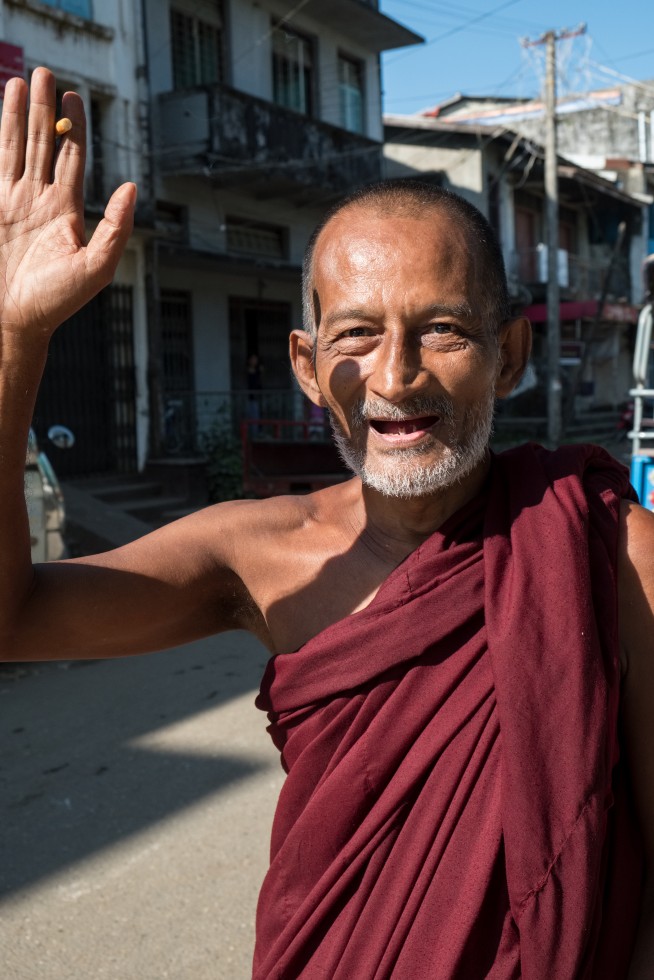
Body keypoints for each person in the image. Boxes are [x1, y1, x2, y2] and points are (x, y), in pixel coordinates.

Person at [1, 68, 653, 979]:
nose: (394, 377)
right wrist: (16, 337)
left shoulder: (608, 547)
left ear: (509, 356)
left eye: (443, 331)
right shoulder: (255, 552)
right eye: (355, 335)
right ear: (308, 367)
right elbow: (15, 619)